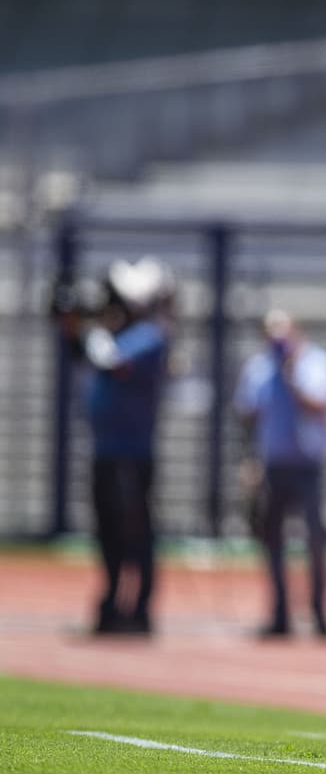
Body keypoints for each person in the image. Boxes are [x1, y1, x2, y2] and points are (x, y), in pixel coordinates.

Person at [56, 257, 175, 636]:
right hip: (106, 450)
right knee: (106, 532)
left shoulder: (151, 336)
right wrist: (70, 322)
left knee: (136, 532)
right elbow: (82, 351)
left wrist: (91, 331)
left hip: (133, 453)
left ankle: (139, 608)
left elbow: (109, 361)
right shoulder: (114, 335)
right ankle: (110, 604)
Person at [233, 309, 326, 639]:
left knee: (315, 542)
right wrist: (248, 460)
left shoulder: (319, 363)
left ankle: (320, 613)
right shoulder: (257, 368)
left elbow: (320, 404)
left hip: (308, 465)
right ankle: (279, 613)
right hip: (274, 465)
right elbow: (247, 414)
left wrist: (291, 375)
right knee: (272, 542)